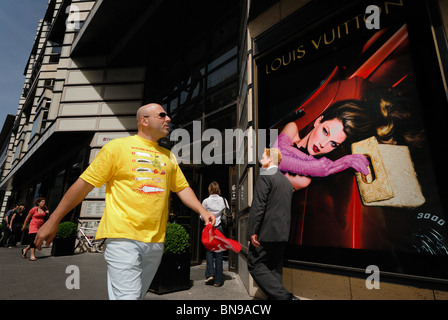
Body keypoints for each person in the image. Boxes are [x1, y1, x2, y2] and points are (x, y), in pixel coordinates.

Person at [35, 103, 215, 300]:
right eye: (162, 115)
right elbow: (83, 185)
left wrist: (202, 211)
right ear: (144, 121)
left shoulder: (168, 155)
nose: (168, 119)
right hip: (123, 237)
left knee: (136, 295)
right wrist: (53, 220)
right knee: (128, 297)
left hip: (156, 240)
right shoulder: (116, 147)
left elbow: (181, 188)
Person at [273, 100, 371, 191]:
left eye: (333, 144)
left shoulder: (303, 180)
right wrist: (310, 167)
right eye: (325, 131)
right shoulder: (292, 128)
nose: (323, 144)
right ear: (318, 121)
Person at [247, 148, 297, 300]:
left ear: (271, 159)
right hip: (282, 234)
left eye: (263, 157)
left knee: (254, 264)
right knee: (274, 269)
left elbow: (258, 206)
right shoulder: (287, 182)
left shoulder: (266, 176)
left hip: (266, 233)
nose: (261, 160)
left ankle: (287, 298)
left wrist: (253, 231)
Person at [201, 181, 228, 287]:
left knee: (209, 251)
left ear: (209, 189)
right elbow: (227, 212)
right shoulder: (224, 200)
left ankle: (210, 274)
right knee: (219, 253)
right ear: (218, 189)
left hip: (209, 228)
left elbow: (201, 215)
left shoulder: (206, 201)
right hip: (219, 228)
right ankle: (218, 280)